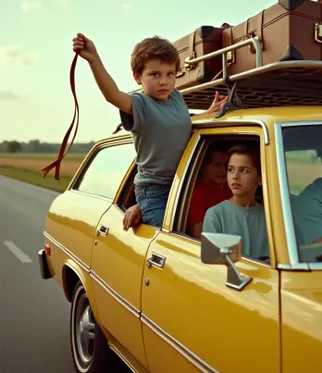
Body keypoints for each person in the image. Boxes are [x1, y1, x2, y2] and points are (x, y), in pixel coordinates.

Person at [72, 33, 227, 228]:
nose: (164, 81)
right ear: (138, 77)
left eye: (170, 74)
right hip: (154, 191)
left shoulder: (176, 97)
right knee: (166, 241)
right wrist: (93, 59)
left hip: (183, 185)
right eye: (155, 74)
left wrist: (207, 113)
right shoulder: (141, 104)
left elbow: (179, 123)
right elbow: (112, 95)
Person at [123, 142, 232, 235]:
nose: (223, 170)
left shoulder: (231, 186)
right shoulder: (192, 192)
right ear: (202, 167)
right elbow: (200, 237)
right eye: (217, 165)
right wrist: (141, 205)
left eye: (226, 165)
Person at [202, 143, 269, 260]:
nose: (235, 176)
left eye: (244, 171)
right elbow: (213, 261)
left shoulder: (268, 217)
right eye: (231, 170)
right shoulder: (216, 215)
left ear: (260, 178)